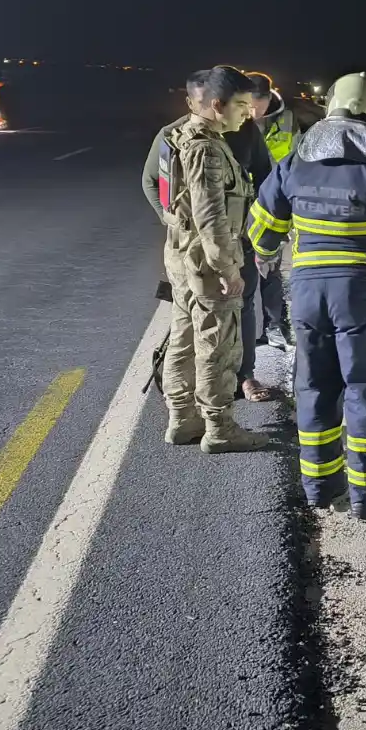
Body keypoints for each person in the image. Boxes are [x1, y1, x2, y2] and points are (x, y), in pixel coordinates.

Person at [245, 73, 366, 518]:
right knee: (365, 390)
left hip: (308, 291)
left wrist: (270, 253)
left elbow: (262, 233)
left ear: (330, 107)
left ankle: (319, 489)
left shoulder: (294, 162)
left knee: (314, 387)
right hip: (364, 292)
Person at [154, 65, 267, 453]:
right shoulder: (206, 147)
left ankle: (182, 420)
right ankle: (220, 429)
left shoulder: (181, 134)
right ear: (216, 105)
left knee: (184, 339)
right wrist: (227, 268)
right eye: (240, 105)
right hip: (206, 262)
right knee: (217, 345)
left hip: (183, 257)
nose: (247, 113)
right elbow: (210, 213)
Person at [225, 73, 276, 402]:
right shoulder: (175, 135)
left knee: (243, 306)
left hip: (240, 240)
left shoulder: (247, 133)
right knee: (196, 313)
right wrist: (172, 221)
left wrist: (258, 229)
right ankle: (197, 385)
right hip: (197, 247)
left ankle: (245, 376)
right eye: (242, 104)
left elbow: (266, 179)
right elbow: (153, 181)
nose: (249, 111)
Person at [244, 71, 298, 350]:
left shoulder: (287, 120)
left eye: (257, 104)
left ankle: (275, 326)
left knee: (270, 270)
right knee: (242, 272)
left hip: (274, 206)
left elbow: (297, 160)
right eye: (248, 103)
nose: (253, 110)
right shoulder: (235, 118)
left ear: (268, 98)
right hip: (242, 205)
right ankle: (240, 336)